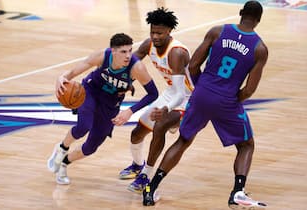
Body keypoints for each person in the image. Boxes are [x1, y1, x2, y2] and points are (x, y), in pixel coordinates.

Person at [142, 1, 269, 209]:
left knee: (183, 140)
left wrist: (203, 88)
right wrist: (232, 100)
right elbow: (249, 90)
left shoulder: (217, 31)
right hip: (227, 100)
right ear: (259, 20)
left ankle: (151, 188)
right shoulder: (259, 48)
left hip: (201, 93)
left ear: (240, 13)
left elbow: (192, 66)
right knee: (246, 145)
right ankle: (237, 192)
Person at [47, 33, 159, 185]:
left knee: (91, 147)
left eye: (129, 51)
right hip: (91, 91)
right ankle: (62, 148)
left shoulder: (136, 67)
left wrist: (129, 111)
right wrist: (62, 77)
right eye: (123, 52)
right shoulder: (102, 56)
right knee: (84, 126)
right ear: (113, 51)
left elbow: (153, 93)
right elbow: (74, 72)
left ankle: (65, 163)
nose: (128, 55)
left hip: (111, 103)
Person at [118, 7, 193, 193]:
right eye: (152, 32)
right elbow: (130, 66)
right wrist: (127, 81)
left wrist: (166, 109)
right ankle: (137, 165)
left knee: (159, 127)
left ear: (169, 31)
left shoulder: (176, 53)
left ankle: (147, 175)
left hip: (189, 97)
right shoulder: (148, 44)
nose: (155, 36)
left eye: (159, 33)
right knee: (137, 133)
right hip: (171, 92)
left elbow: (180, 94)